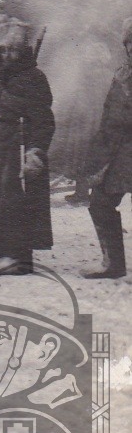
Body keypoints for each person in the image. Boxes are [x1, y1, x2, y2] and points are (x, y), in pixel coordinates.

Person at [0, 22, 56, 276]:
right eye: (5, 50)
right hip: (3, 143)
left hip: (22, 145)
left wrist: (36, 151)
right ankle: (1, 248)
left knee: (16, 200)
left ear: (23, 51)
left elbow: (44, 119)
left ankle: (19, 258)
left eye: (14, 51)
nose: (8, 55)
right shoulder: (5, 75)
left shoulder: (35, 78)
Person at [83, 22, 132, 279]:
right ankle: (113, 264)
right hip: (119, 153)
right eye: (131, 43)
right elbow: (108, 113)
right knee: (100, 203)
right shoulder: (121, 75)